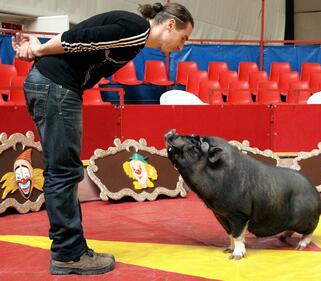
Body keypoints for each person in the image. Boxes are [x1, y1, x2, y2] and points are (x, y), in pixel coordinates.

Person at [12, 2, 193, 275]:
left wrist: (37, 46)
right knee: (63, 173)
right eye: (184, 38)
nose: (181, 46)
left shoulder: (135, 33)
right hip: (57, 88)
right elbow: (76, 39)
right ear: (170, 25)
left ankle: (71, 249)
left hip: (52, 85)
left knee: (62, 171)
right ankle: (69, 254)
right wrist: (37, 49)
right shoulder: (137, 29)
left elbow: (79, 40)